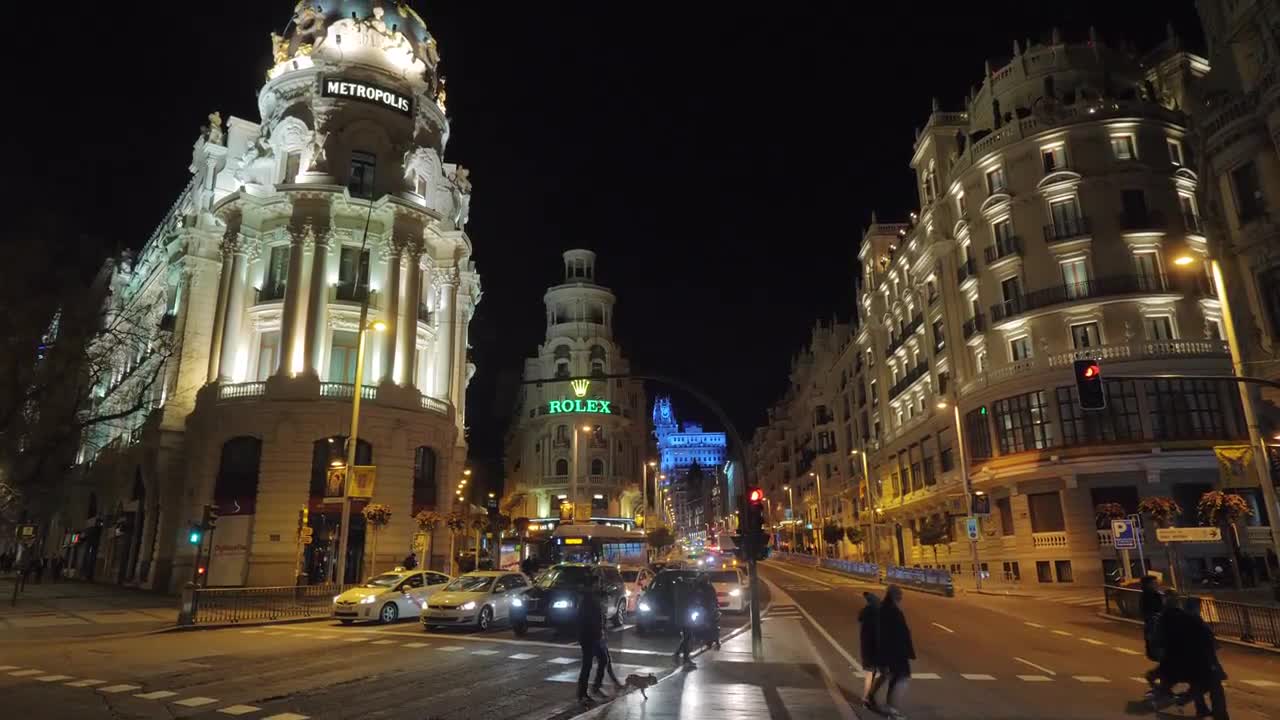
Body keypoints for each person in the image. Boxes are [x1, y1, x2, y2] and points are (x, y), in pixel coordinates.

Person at [576, 573, 621, 705]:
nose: (600, 585)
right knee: (588, 665)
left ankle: (596, 687)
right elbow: (587, 619)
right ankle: (582, 694)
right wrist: (596, 631)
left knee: (603, 660)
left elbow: (600, 614)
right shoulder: (588, 599)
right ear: (593, 584)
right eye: (598, 583)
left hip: (596, 635)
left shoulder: (595, 596)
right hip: (589, 636)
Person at [872, 585, 914, 719]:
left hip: (890, 652)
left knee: (895, 678)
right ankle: (892, 710)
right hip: (896, 652)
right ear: (894, 596)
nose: (901, 597)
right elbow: (897, 634)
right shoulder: (893, 611)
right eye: (899, 594)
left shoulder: (885, 609)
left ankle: (886, 706)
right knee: (902, 677)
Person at [858, 591, 883, 712]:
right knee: (875, 674)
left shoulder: (865, 613)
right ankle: (867, 698)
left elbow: (860, 618)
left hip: (866, 648)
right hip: (877, 649)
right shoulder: (880, 616)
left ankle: (868, 697)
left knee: (870, 674)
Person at [672, 576, 698, 667]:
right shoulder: (683, 592)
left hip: (684, 617)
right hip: (685, 617)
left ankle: (679, 654)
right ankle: (685, 658)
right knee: (688, 637)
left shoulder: (679, 590)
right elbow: (688, 603)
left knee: (687, 637)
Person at [1139, 575, 1163, 662]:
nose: (1156, 584)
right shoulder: (1149, 595)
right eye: (1154, 583)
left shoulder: (1153, 594)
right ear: (1148, 584)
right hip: (1153, 621)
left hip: (1154, 621)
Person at [696, 574, 721, 651]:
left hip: (708, 609)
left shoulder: (707, 587)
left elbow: (713, 598)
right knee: (710, 626)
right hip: (706, 609)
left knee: (711, 626)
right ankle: (711, 641)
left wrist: (715, 606)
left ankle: (713, 641)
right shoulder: (704, 587)